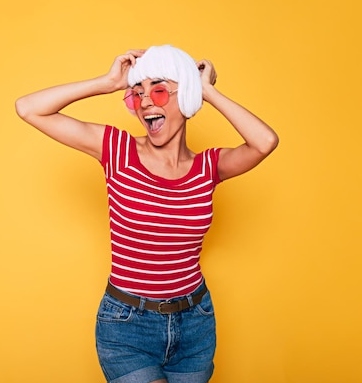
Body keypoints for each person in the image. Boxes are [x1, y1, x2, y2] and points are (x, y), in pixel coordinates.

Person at [15, 45, 278, 383]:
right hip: (127, 326)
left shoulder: (208, 167)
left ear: (185, 97)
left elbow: (265, 142)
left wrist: (207, 91)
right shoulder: (117, 149)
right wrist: (107, 82)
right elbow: (28, 108)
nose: (146, 102)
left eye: (158, 90)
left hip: (195, 322)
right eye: (136, 94)